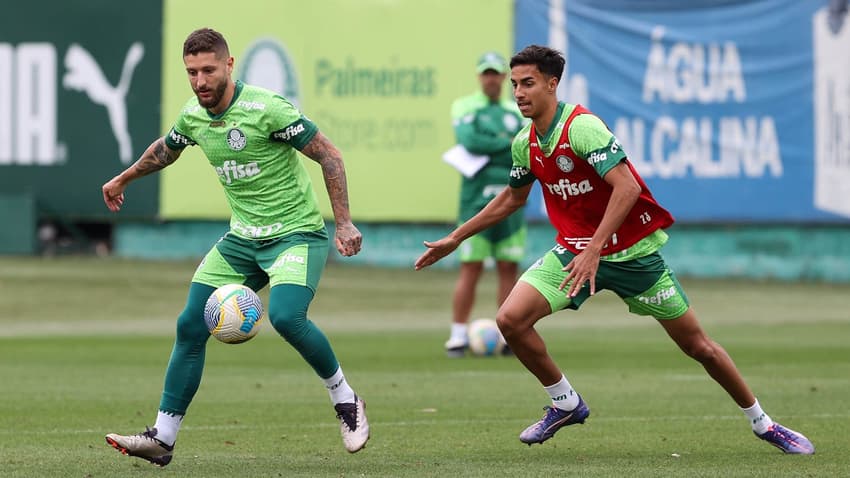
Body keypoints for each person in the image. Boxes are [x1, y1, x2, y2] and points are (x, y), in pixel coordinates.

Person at [415, 45, 814, 454]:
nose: (518, 92)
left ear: (553, 85)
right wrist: (456, 237)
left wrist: (596, 249)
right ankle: (565, 403)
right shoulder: (525, 143)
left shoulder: (583, 128)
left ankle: (764, 423)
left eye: (528, 83)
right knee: (511, 320)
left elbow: (627, 187)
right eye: (515, 84)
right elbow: (512, 199)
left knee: (700, 348)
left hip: (633, 256)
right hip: (573, 252)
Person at [102, 28, 369, 466]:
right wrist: (124, 177)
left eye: (208, 70)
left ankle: (346, 399)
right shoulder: (194, 116)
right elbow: (165, 151)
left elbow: (330, 155)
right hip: (242, 240)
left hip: (296, 234)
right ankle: (163, 437)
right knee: (190, 324)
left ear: (229, 65)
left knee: (285, 316)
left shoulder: (267, 110)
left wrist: (343, 222)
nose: (200, 80)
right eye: (191, 72)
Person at [443, 52, 527, 357]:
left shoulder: (515, 109)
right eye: (486, 73)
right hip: (475, 200)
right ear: (480, 77)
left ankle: (509, 335)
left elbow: (526, 146)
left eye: (496, 73)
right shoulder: (465, 105)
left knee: (508, 267)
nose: (491, 78)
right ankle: (457, 335)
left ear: (504, 77)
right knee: (471, 266)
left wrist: (497, 144)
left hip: (511, 198)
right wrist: (507, 143)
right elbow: (470, 141)